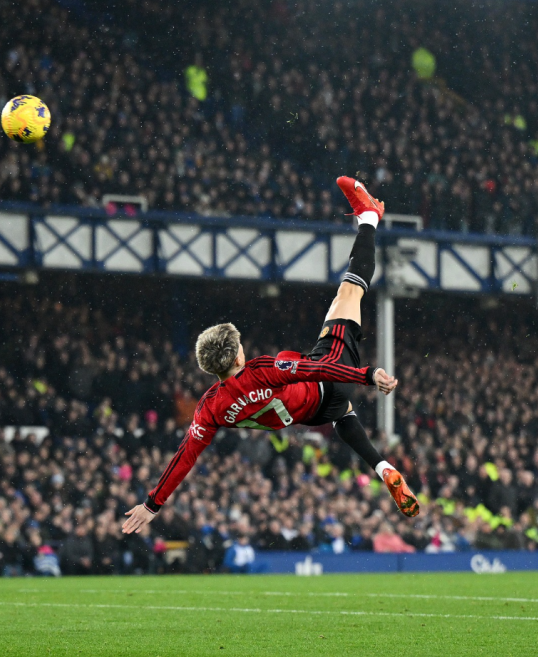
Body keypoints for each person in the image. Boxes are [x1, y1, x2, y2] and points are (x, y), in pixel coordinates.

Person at [123, 177, 418, 536]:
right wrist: (368, 375)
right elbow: (316, 366)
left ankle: (382, 466)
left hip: (310, 415)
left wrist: (152, 503)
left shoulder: (210, 407)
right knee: (350, 290)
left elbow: (185, 456)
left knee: (343, 416)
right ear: (235, 359)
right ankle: (369, 217)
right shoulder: (261, 370)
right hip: (326, 381)